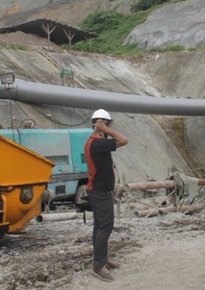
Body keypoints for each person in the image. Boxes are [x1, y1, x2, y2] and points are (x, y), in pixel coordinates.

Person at [83, 109, 128, 282]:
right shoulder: (98, 143)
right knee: (106, 228)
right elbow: (124, 140)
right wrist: (105, 130)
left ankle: (101, 259)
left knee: (99, 227)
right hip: (100, 191)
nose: (111, 127)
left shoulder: (91, 142)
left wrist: (103, 130)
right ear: (102, 124)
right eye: (109, 124)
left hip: (97, 190)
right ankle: (98, 266)